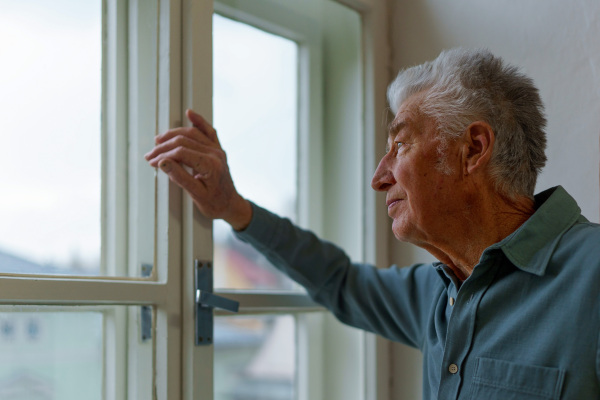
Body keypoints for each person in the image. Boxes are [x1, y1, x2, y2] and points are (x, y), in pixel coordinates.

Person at [145, 48, 600, 399]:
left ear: (473, 150)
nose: (379, 178)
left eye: (400, 145)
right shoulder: (439, 294)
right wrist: (233, 207)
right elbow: (339, 281)